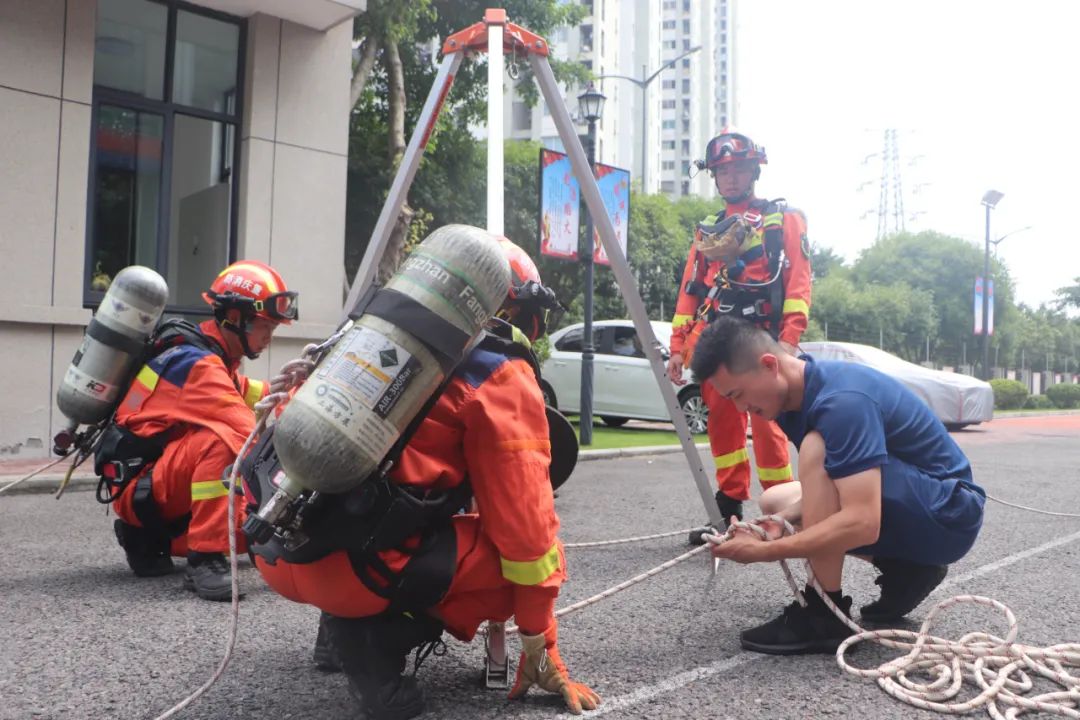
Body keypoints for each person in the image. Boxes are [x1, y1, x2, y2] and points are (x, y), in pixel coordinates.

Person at [244, 238, 599, 719]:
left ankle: (336, 630)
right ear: (515, 309)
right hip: (354, 576)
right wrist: (542, 644)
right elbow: (526, 533)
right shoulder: (499, 372)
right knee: (538, 560)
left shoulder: (364, 337)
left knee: (375, 509)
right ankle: (373, 641)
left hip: (279, 547)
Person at [693, 316, 986, 654]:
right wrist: (777, 526)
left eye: (738, 394)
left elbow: (862, 521)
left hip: (947, 516)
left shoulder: (841, 401)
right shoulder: (792, 398)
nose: (741, 409)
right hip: (913, 501)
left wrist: (764, 552)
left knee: (819, 448)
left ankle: (823, 613)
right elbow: (833, 488)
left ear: (769, 365)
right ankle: (906, 569)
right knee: (776, 503)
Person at [107, 260, 297, 600]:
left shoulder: (212, 358)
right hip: (145, 489)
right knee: (226, 443)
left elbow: (258, 396)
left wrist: (303, 395)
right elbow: (246, 430)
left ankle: (146, 540)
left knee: (255, 536)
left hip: (149, 488)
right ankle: (205, 559)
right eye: (265, 325)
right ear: (235, 318)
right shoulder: (197, 365)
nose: (270, 336)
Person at [665, 128, 812, 544]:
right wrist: (678, 348)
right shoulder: (708, 229)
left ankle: (781, 511)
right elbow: (690, 291)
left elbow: (799, 283)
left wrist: (789, 341)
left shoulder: (782, 219)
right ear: (714, 176)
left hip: (763, 341)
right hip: (717, 342)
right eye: (722, 171)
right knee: (723, 429)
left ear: (754, 171)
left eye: (738, 169)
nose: (730, 178)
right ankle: (727, 510)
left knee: (770, 426)